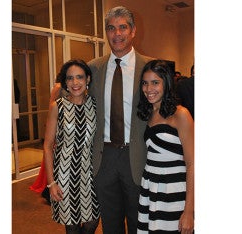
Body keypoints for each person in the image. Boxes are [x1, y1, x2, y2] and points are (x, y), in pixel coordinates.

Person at [87, 6, 153, 234]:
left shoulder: (151, 67)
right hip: (104, 157)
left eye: (123, 27)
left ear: (133, 31)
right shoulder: (93, 68)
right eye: (111, 28)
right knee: (111, 224)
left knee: (139, 222)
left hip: (137, 157)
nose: (117, 34)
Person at [136, 60, 194, 233]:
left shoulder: (181, 114)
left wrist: (189, 211)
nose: (149, 88)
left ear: (166, 83)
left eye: (155, 82)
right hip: (151, 187)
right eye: (145, 83)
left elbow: (193, 164)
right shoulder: (150, 113)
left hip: (174, 190)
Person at [43, 59, 100, 234]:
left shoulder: (95, 105)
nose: (75, 83)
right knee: (72, 227)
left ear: (88, 79)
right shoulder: (58, 106)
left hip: (91, 175)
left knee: (92, 222)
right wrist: (51, 183)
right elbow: (47, 146)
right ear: (65, 81)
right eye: (70, 78)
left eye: (80, 77)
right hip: (65, 176)